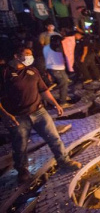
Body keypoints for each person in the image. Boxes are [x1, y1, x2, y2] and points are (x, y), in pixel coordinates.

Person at [0, 47, 81, 183]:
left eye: (31, 55)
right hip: (18, 116)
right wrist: (5, 115)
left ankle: (64, 161)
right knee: (20, 146)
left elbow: (43, 90)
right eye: (26, 55)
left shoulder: (33, 70)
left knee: (54, 138)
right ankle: (22, 170)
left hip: (39, 112)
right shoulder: (4, 73)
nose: (29, 58)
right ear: (16, 55)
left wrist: (55, 103)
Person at [43, 35, 70, 108]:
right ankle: (62, 102)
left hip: (49, 67)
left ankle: (62, 96)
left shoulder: (46, 47)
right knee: (64, 83)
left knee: (61, 82)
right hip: (58, 68)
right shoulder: (57, 48)